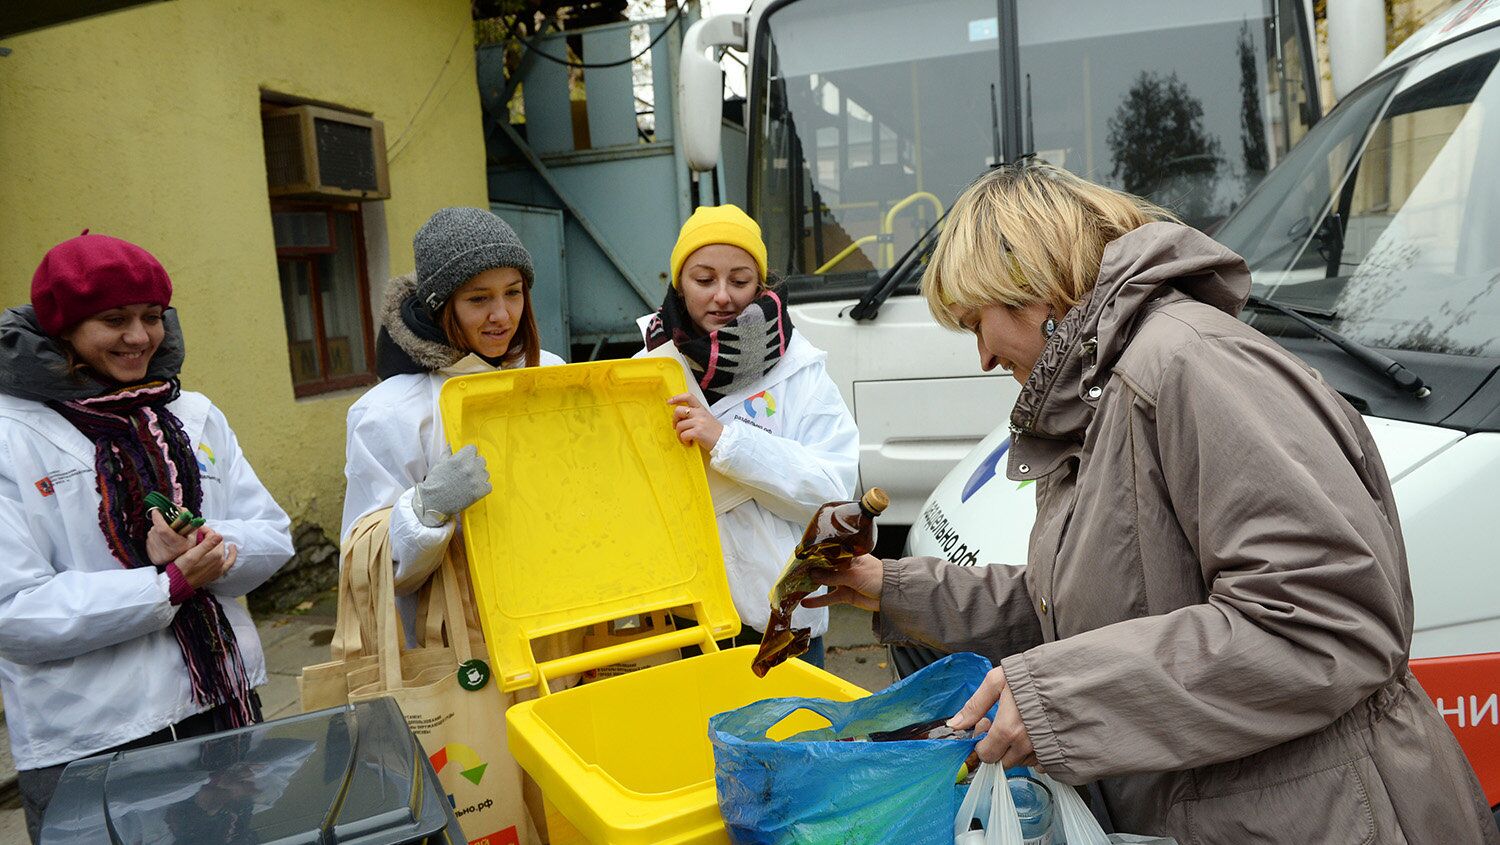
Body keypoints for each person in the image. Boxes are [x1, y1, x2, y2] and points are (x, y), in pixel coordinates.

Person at [808, 161, 1500, 843]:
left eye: (975, 321)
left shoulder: (1190, 365)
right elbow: (1081, 608)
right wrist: (888, 585)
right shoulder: (1097, 397)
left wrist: (1063, 697)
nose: (984, 355)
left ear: (1034, 288)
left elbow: (1325, 621)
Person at [0, 232, 295, 843]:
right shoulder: (12, 434)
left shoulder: (194, 416)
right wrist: (167, 585)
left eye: (152, 317)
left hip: (221, 713)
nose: (140, 337)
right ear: (62, 326)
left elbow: (272, 534)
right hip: (93, 741)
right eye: (114, 320)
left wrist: (204, 544)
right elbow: (14, 612)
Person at [638, 205, 859, 666]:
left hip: (780, 628)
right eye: (704, 280)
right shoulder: (646, 371)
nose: (722, 297)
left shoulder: (800, 371)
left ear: (761, 286)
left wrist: (728, 443)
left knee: (795, 737)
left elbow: (835, 498)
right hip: (686, 625)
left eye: (739, 281)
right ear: (679, 283)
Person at [342, 207, 564, 642]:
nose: (502, 315)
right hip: (459, 651)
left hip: (556, 627)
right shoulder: (388, 411)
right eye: (479, 299)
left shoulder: (549, 374)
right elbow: (373, 573)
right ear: (440, 306)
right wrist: (426, 509)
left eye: (514, 292)